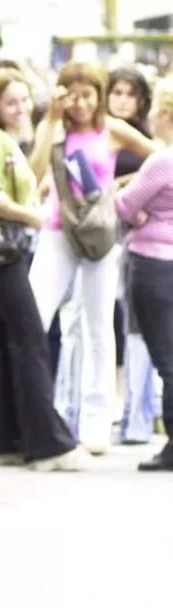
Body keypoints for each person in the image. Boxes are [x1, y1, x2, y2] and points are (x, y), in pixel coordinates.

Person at [28, 60, 157, 454]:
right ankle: (35, 415)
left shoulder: (111, 130)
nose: (80, 103)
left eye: (88, 95)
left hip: (100, 234)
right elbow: (32, 175)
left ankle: (95, 424)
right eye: (72, 95)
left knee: (99, 327)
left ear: (99, 96)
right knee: (34, 317)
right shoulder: (54, 128)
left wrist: (120, 190)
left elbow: (160, 161)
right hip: (56, 231)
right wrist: (50, 122)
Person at [0, 68, 84, 471]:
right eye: (10, 102)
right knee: (29, 337)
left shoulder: (2, 138)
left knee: (6, 339)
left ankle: (5, 440)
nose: (20, 109)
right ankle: (47, 445)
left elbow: (29, 178)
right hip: (3, 252)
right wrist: (35, 217)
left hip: (5, 252)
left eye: (23, 100)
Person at [114, 76, 173, 472]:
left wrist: (138, 210)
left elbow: (123, 205)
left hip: (152, 263)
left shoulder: (162, 160)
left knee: (167, 360)